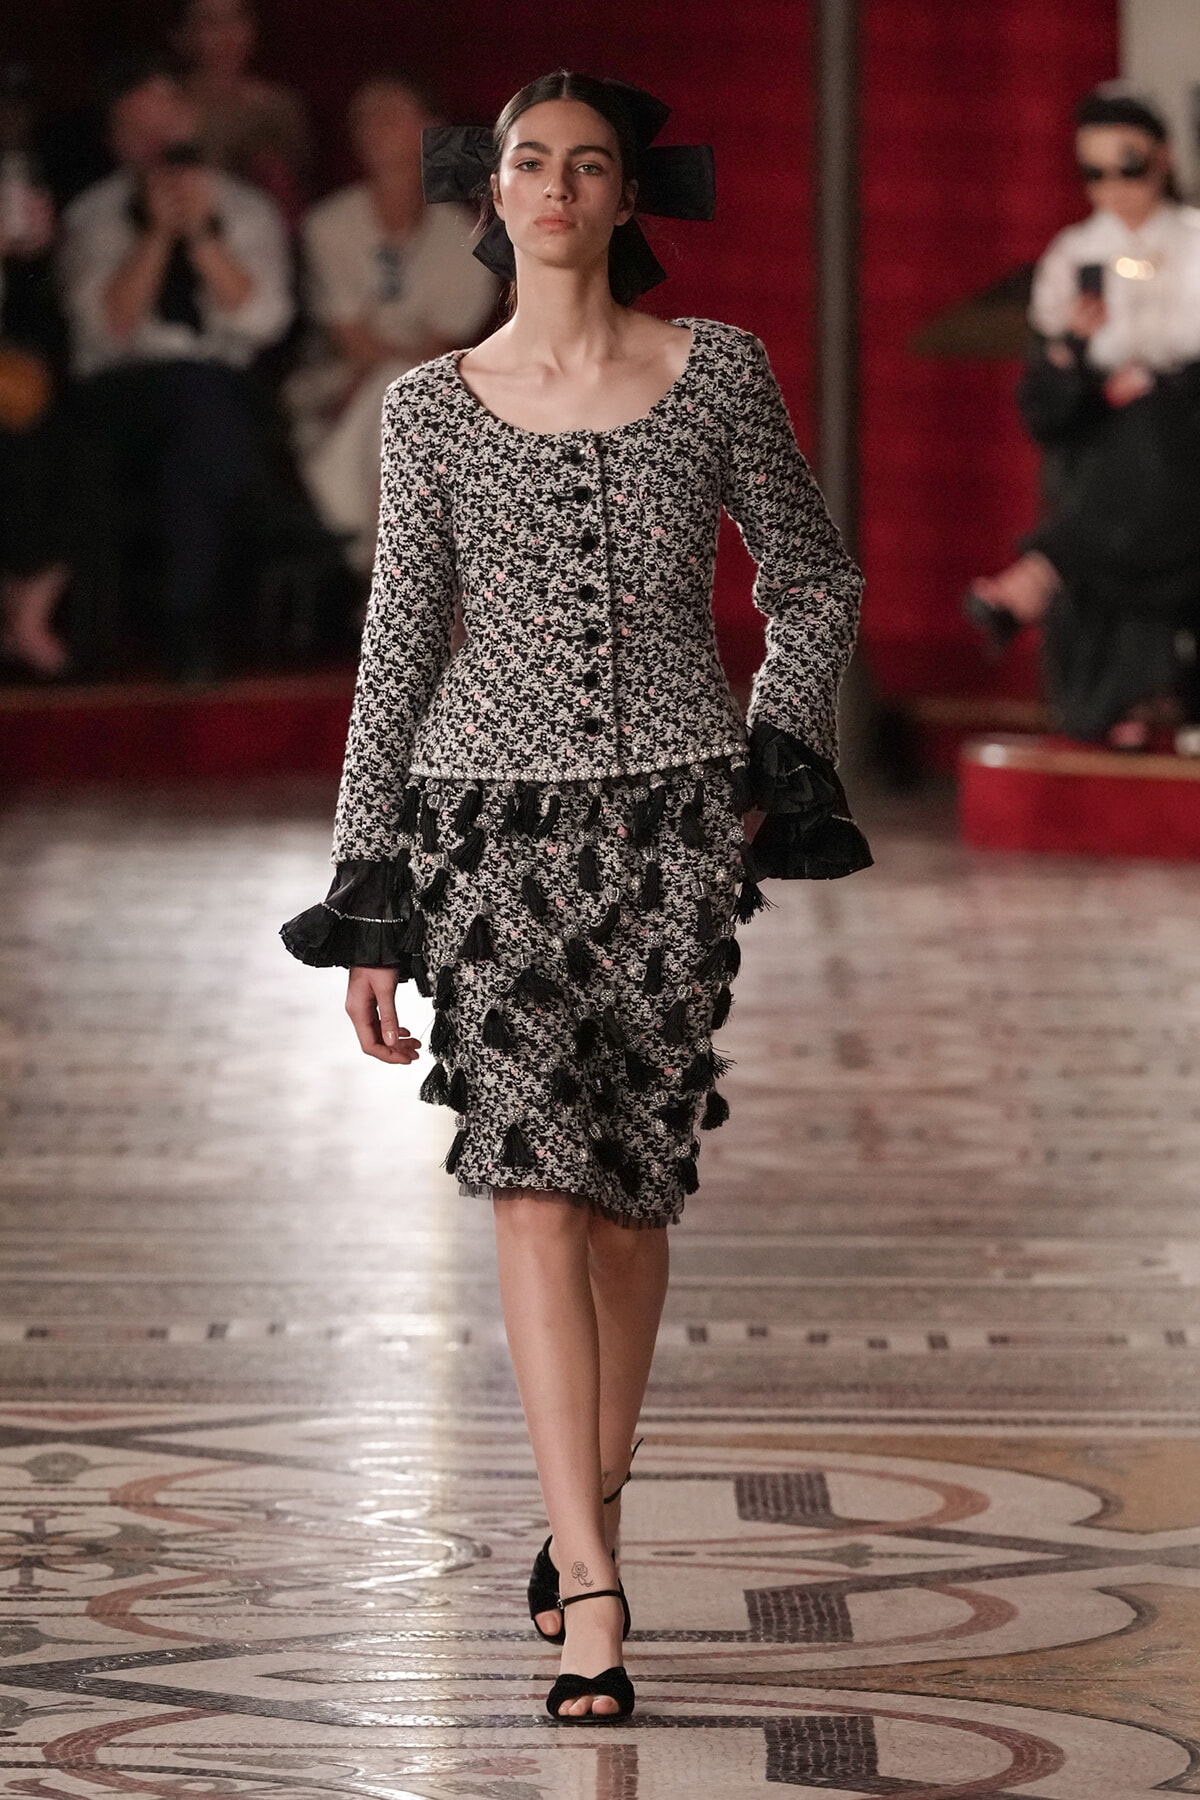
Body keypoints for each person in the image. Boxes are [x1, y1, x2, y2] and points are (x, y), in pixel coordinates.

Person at [280, 70, 871, 1722]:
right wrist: (367, 887)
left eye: (587, 165)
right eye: (529, 162)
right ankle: (595, 1586)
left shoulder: (721, 375)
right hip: (487, 834)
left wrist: (771, 742)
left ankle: (580, 1502)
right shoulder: (428, 408)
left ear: (629, 200)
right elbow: (397, 651)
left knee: (626, 1194)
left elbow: (814, 581)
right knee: (534, 1187)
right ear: (494, 196)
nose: (553, 187)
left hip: (678, 826)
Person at [967, 85, 1200, 751]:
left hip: (1187, 437)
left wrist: (1157, 383)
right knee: (1128, 460)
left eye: (1128, 166)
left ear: (1163, 157)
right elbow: (1044, 413)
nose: (1114, 188)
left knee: (1154, 434)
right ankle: (1115, 681)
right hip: (1108, 457)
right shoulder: (1072, 258)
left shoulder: (1195, 243)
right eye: (1093, 173)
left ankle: (1041, 572)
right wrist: (1071, 348)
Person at [59, 58, 293, 680]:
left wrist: (201, 237)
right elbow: (106, 329)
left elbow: (264, 318)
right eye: (139, 132)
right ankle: (190, 616)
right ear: (118, 141)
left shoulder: (244, 210)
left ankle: (184, 617)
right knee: (208, 429)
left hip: (219, 382)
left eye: (167, 126)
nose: (158, 145)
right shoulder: (93, 215)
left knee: (207, 418)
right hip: (124, 391)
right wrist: (157, 235)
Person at [288, 76, 497, 575]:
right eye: (364, 119)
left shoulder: (467, 236)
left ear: (431, 128)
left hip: (428, 396)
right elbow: (352, 344)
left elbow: (442, 346)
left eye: (390, 116)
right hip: (336, 393)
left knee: (407, 396)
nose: (373, 130)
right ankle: (402, 579)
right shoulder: (329, 225)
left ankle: (391, 581)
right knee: (397, 394)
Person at [0, 61, 71, 677]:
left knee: (50, 444)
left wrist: (30, 260)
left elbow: (41, 320)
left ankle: (26, 610)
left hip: (18, 375)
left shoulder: (37, 177)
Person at [170, 0, 311, 231]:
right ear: (183, 35)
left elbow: (296, 195)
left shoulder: (280, 106)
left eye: (237, 18)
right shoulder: (166, 108)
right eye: (210, 22)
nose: (227, 33)